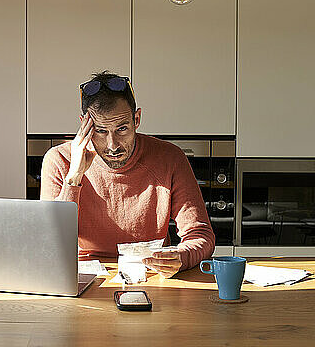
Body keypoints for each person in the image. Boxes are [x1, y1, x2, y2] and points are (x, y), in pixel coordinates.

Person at [40, 71, 215, 277]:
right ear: (84, 125)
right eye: (100, 131)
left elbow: (200, 234)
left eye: (122, 129)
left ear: (137, 119)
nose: (112, 145)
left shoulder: (170, 158)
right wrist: (74, 177)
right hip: (82, 275)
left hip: (149, 274)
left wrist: (181, 257)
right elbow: (49, 243)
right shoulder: (59, 159)